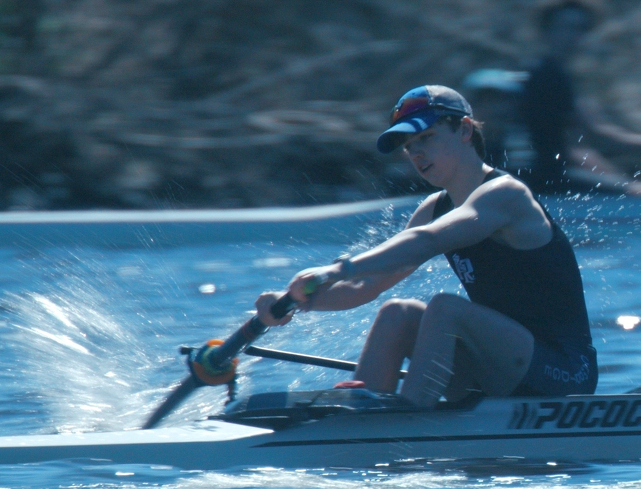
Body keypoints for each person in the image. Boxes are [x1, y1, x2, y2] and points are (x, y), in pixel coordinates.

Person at [255, 85, 597, 408]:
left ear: (465, 130)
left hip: (563, 373)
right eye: (409, 146)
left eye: (427, 138)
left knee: (445, 308)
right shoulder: (434, 209)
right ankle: (365, 414)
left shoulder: (507, 195)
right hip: (502, 366)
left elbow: (427, 241)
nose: (416, 154)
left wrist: (336, 268)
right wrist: (295, 303)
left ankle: (408, 415)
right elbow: (364, 286)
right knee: (397, 312)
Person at [517, 0, 641, 196]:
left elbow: (575, 149)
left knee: (640, 191)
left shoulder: (555, 72)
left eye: (581, 28)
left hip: (554, 172)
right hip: (544, 179)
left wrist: (620, 181)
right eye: (567, 27)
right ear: (546, 30)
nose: (574, 35)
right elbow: (598, 133)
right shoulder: (546, 74)